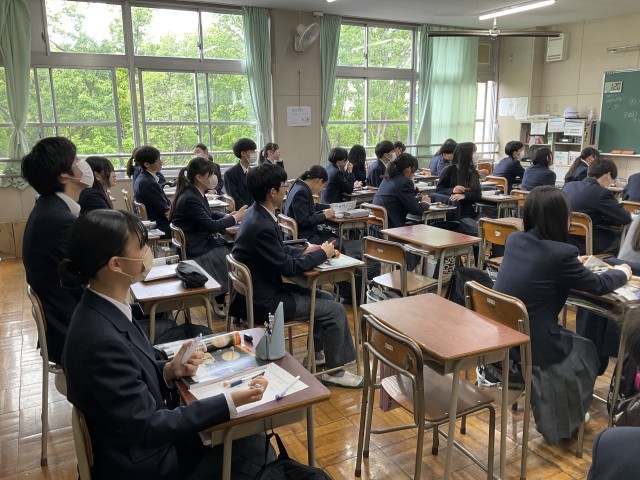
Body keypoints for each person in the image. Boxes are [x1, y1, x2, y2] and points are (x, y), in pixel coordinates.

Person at [60, 209, 271, 480]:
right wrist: (229, 400)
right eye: (141, 245)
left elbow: (133, 375)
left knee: (249, 437)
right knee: (252, 442)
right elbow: (149, 427)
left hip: (141, 446)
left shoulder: (104, 307)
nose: (147, 251)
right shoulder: (99, 339)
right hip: (149, 464)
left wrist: (169, 370)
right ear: (116, 264)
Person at [494, 186, 630, 444]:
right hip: (534, 343)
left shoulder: (515, 240)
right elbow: (598, 285)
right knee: (587, 350)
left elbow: (544, 262)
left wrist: (575, 264)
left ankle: (565, 408)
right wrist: (622, 272)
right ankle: (567, 416)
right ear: (561, 218)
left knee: (576, 344)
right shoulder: (561, 255)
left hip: (505, 336)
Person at [232, 162, 363, 388]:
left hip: (258, 292)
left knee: (326, 298)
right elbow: (289, 268)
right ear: (272, 192)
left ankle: (318, 355)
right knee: (335, 309)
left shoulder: (256, 214)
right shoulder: (261, 224)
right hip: (266, 301)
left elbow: (278, 252)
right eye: (283, 185)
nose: (286, 189)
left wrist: (304, 251)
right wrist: (322, 253)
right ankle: (336, 372)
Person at [21, 136, 92, 365]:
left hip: (67, 319)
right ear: (64, 174)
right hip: (75, 331)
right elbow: (96, 273)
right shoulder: (60, 220)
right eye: (76, 159)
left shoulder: (49, 209)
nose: (83, 163)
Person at [169, 157, 247, 309]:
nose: (214, 177)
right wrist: (235, 218)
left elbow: (209, 214)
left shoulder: (194, 192)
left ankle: (221, 298)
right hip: (196, 249)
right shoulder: (190, 198)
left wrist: (229, 216)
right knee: (237, 255)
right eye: (210, 174)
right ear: (199, 177)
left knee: (235, 249)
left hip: (198, 242)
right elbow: (211, 226)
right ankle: (221, 298)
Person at [562, 159, 631, 254]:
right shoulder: (602, 193)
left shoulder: (568, 186)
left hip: (566, 240)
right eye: (613, 179)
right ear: (608, 175)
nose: (612, 183)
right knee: (619, 238)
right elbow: (626, 218)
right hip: (588, 244)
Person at [435, 142, 482, 236]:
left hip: (471, 213)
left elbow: (478, 194)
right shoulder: (449, 170)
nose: (476, 154)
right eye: (474, 152)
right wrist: (452, 190)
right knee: (481, 232)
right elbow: (439, 190)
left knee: (493, 228)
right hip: (457, 216)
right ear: (466, 154)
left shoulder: (473, 171)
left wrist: (465, 196)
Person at [373, 153, 430, 229]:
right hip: (392, 228)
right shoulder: (404, 182)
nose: (413, 174)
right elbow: (415, 210)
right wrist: (426, 202)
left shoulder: (387, 178)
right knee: (422, 228)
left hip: (378, 227)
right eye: (414, 171)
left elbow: (401, 198)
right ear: (409, 169)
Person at [283, 165, 335, 244]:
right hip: (304, 238)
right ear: (320, 181)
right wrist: (324, 215)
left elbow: (310, 207)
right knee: (338, 241)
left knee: (331, 235)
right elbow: (304, 221)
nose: (321, 190)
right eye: (323, 186)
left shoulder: (298, 187)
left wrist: (329, 206)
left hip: (299, 234)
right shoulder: (301, 192)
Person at [132, 145, 172, 238]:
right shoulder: (148, 183)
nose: (161, 162)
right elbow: (164, 211)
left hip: (155, 222)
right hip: (159, 226)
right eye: (158, 160)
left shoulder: (143, 178)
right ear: (147, 164)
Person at [224, 138, 256, 209]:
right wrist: (249, 210)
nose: (254, 153)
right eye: (252, 151)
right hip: (241, 211)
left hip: (255, 210)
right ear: (243, 154)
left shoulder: (254, 172)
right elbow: (235, 198)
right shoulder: (230, 174)